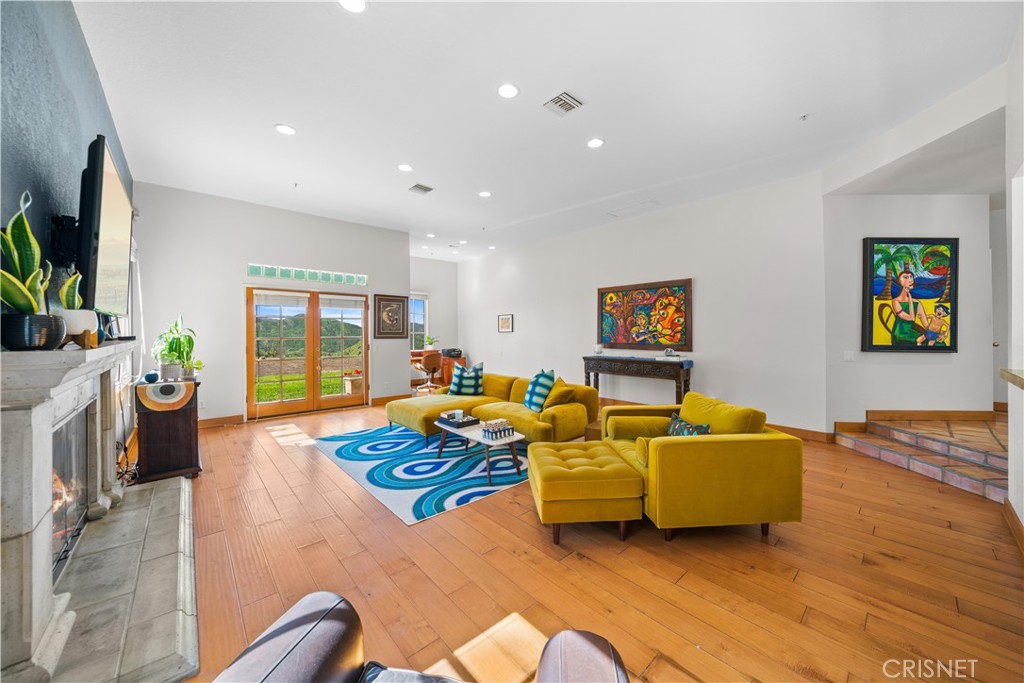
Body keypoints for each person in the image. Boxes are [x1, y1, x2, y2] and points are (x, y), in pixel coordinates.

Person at [890, 270, 929, 346]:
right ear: (899, 281)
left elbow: (926, 324)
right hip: (900, 334)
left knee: (938, 342)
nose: (910, 279)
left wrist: (937, 331)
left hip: (913, 331)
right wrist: (910, 298)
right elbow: (911, 318)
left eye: (911, 277)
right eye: (906, 277)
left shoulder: (917, 302)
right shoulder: (896, 301)